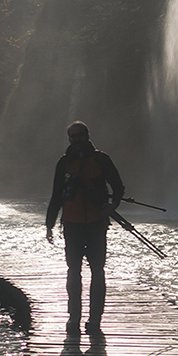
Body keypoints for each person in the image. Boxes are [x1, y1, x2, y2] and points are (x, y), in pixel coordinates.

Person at [45, 120, 124, 334]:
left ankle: (95, 320)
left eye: (80, 135)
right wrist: (49, 225)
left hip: (97, 224)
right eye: (73, 136)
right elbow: (56, 195)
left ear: (87, 136)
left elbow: (118, 187)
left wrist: (113, 205)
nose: (76, 139)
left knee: (97, 270)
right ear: (69, 138)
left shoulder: (101, 160)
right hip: (72, 224)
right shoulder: (64, 163)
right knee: (73, 271)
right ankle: (74, 318)